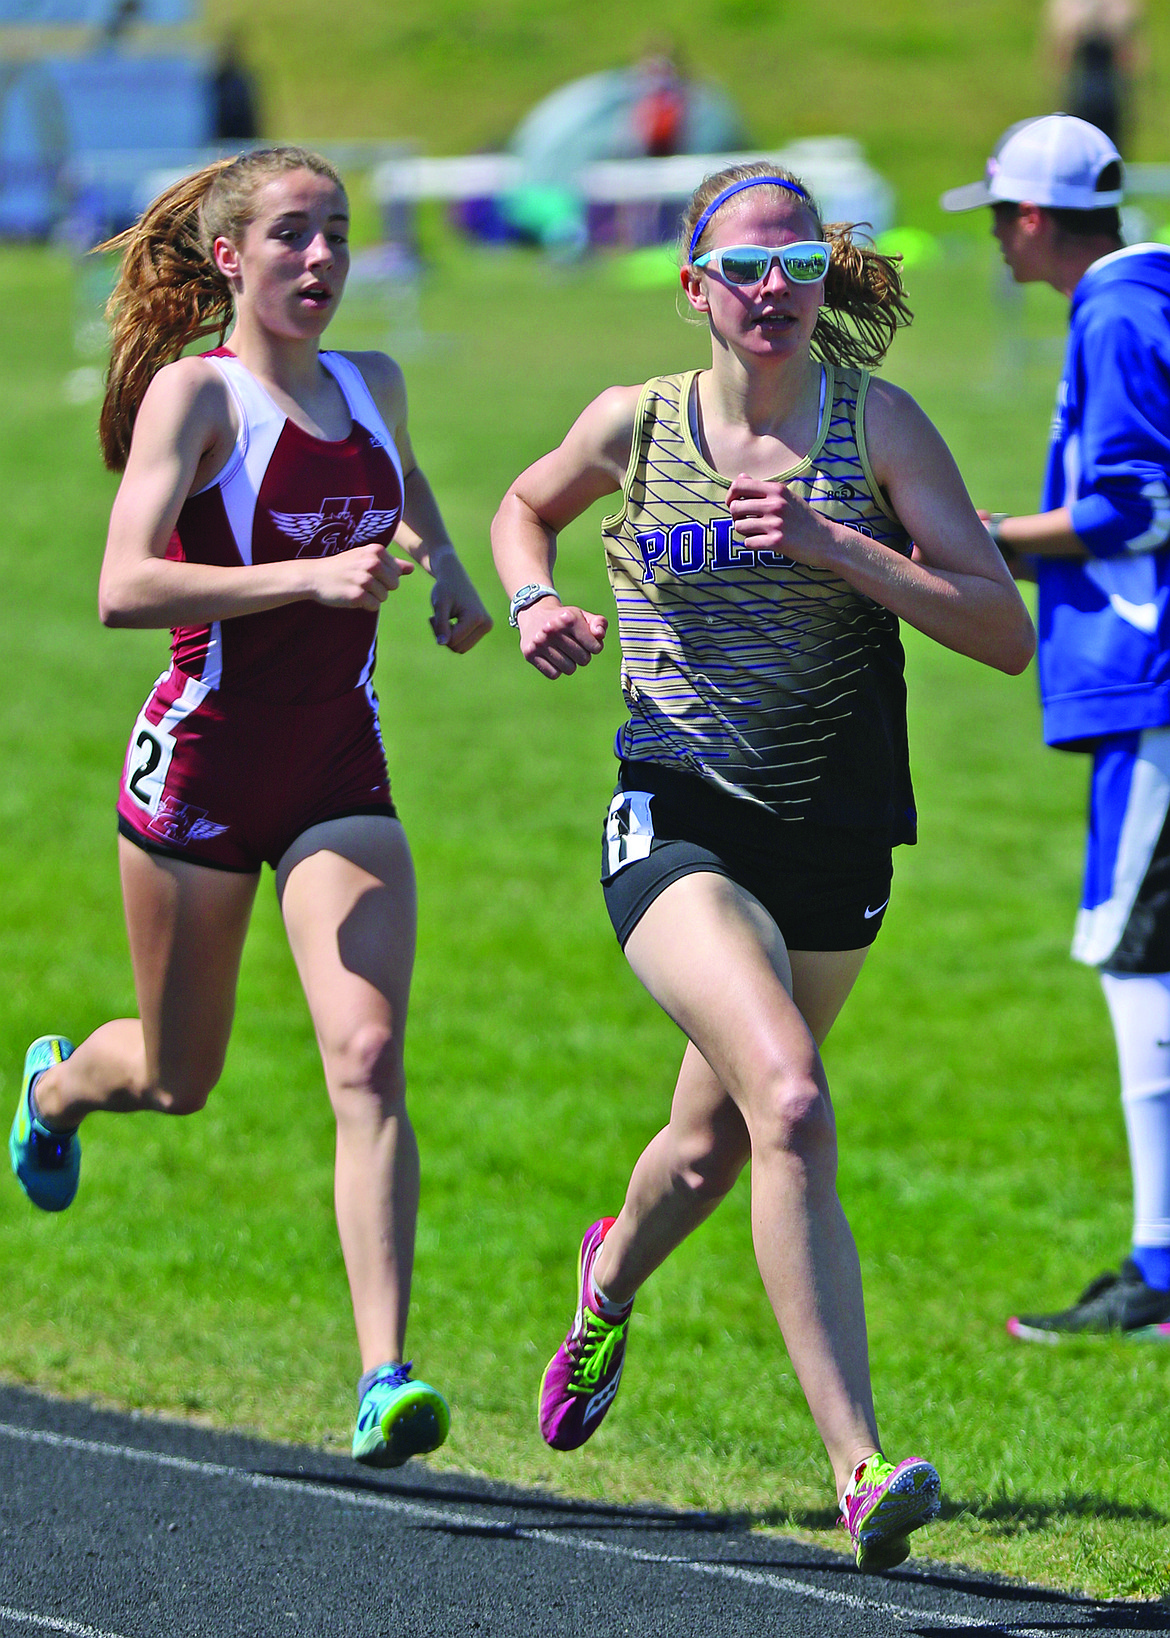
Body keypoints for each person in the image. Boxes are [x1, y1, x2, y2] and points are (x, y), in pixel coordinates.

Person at [491, 162, 1034, 1571]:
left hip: (838, 830)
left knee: (717, 1137)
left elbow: (995, 626)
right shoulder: (638, 422)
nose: (773, 287)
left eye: (795, 261)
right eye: (743, 267)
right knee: (788, 1092)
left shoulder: (876, 428)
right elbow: (521, 505)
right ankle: (862, 1466)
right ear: (693, 290)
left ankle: (606, 1277)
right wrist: (534, 595)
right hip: (674, 817)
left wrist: (836, 544)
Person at [8, 145, 492, 1465]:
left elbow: (408, 488)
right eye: (291, 236)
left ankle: (383, 1374)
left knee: (368, 1055)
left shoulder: (371, 385)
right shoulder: (197, 397)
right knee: (178, 1077)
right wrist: (305, 579)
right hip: (206, 759)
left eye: (336, 233)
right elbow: (122, 585)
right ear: (230, 258)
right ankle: (57, 1091)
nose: (321, 259)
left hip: (340, 764)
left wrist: (446, 575)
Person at [943, 113, 1170, 1342]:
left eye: (995, 215)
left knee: (1139, 963)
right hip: (1143, 676)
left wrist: (980, 541)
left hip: (1150, 677)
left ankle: (1159, 1269)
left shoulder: (1119, 312)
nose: (993, 237)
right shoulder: (1146, 296)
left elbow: (1139, 505)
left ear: (1031, 220)